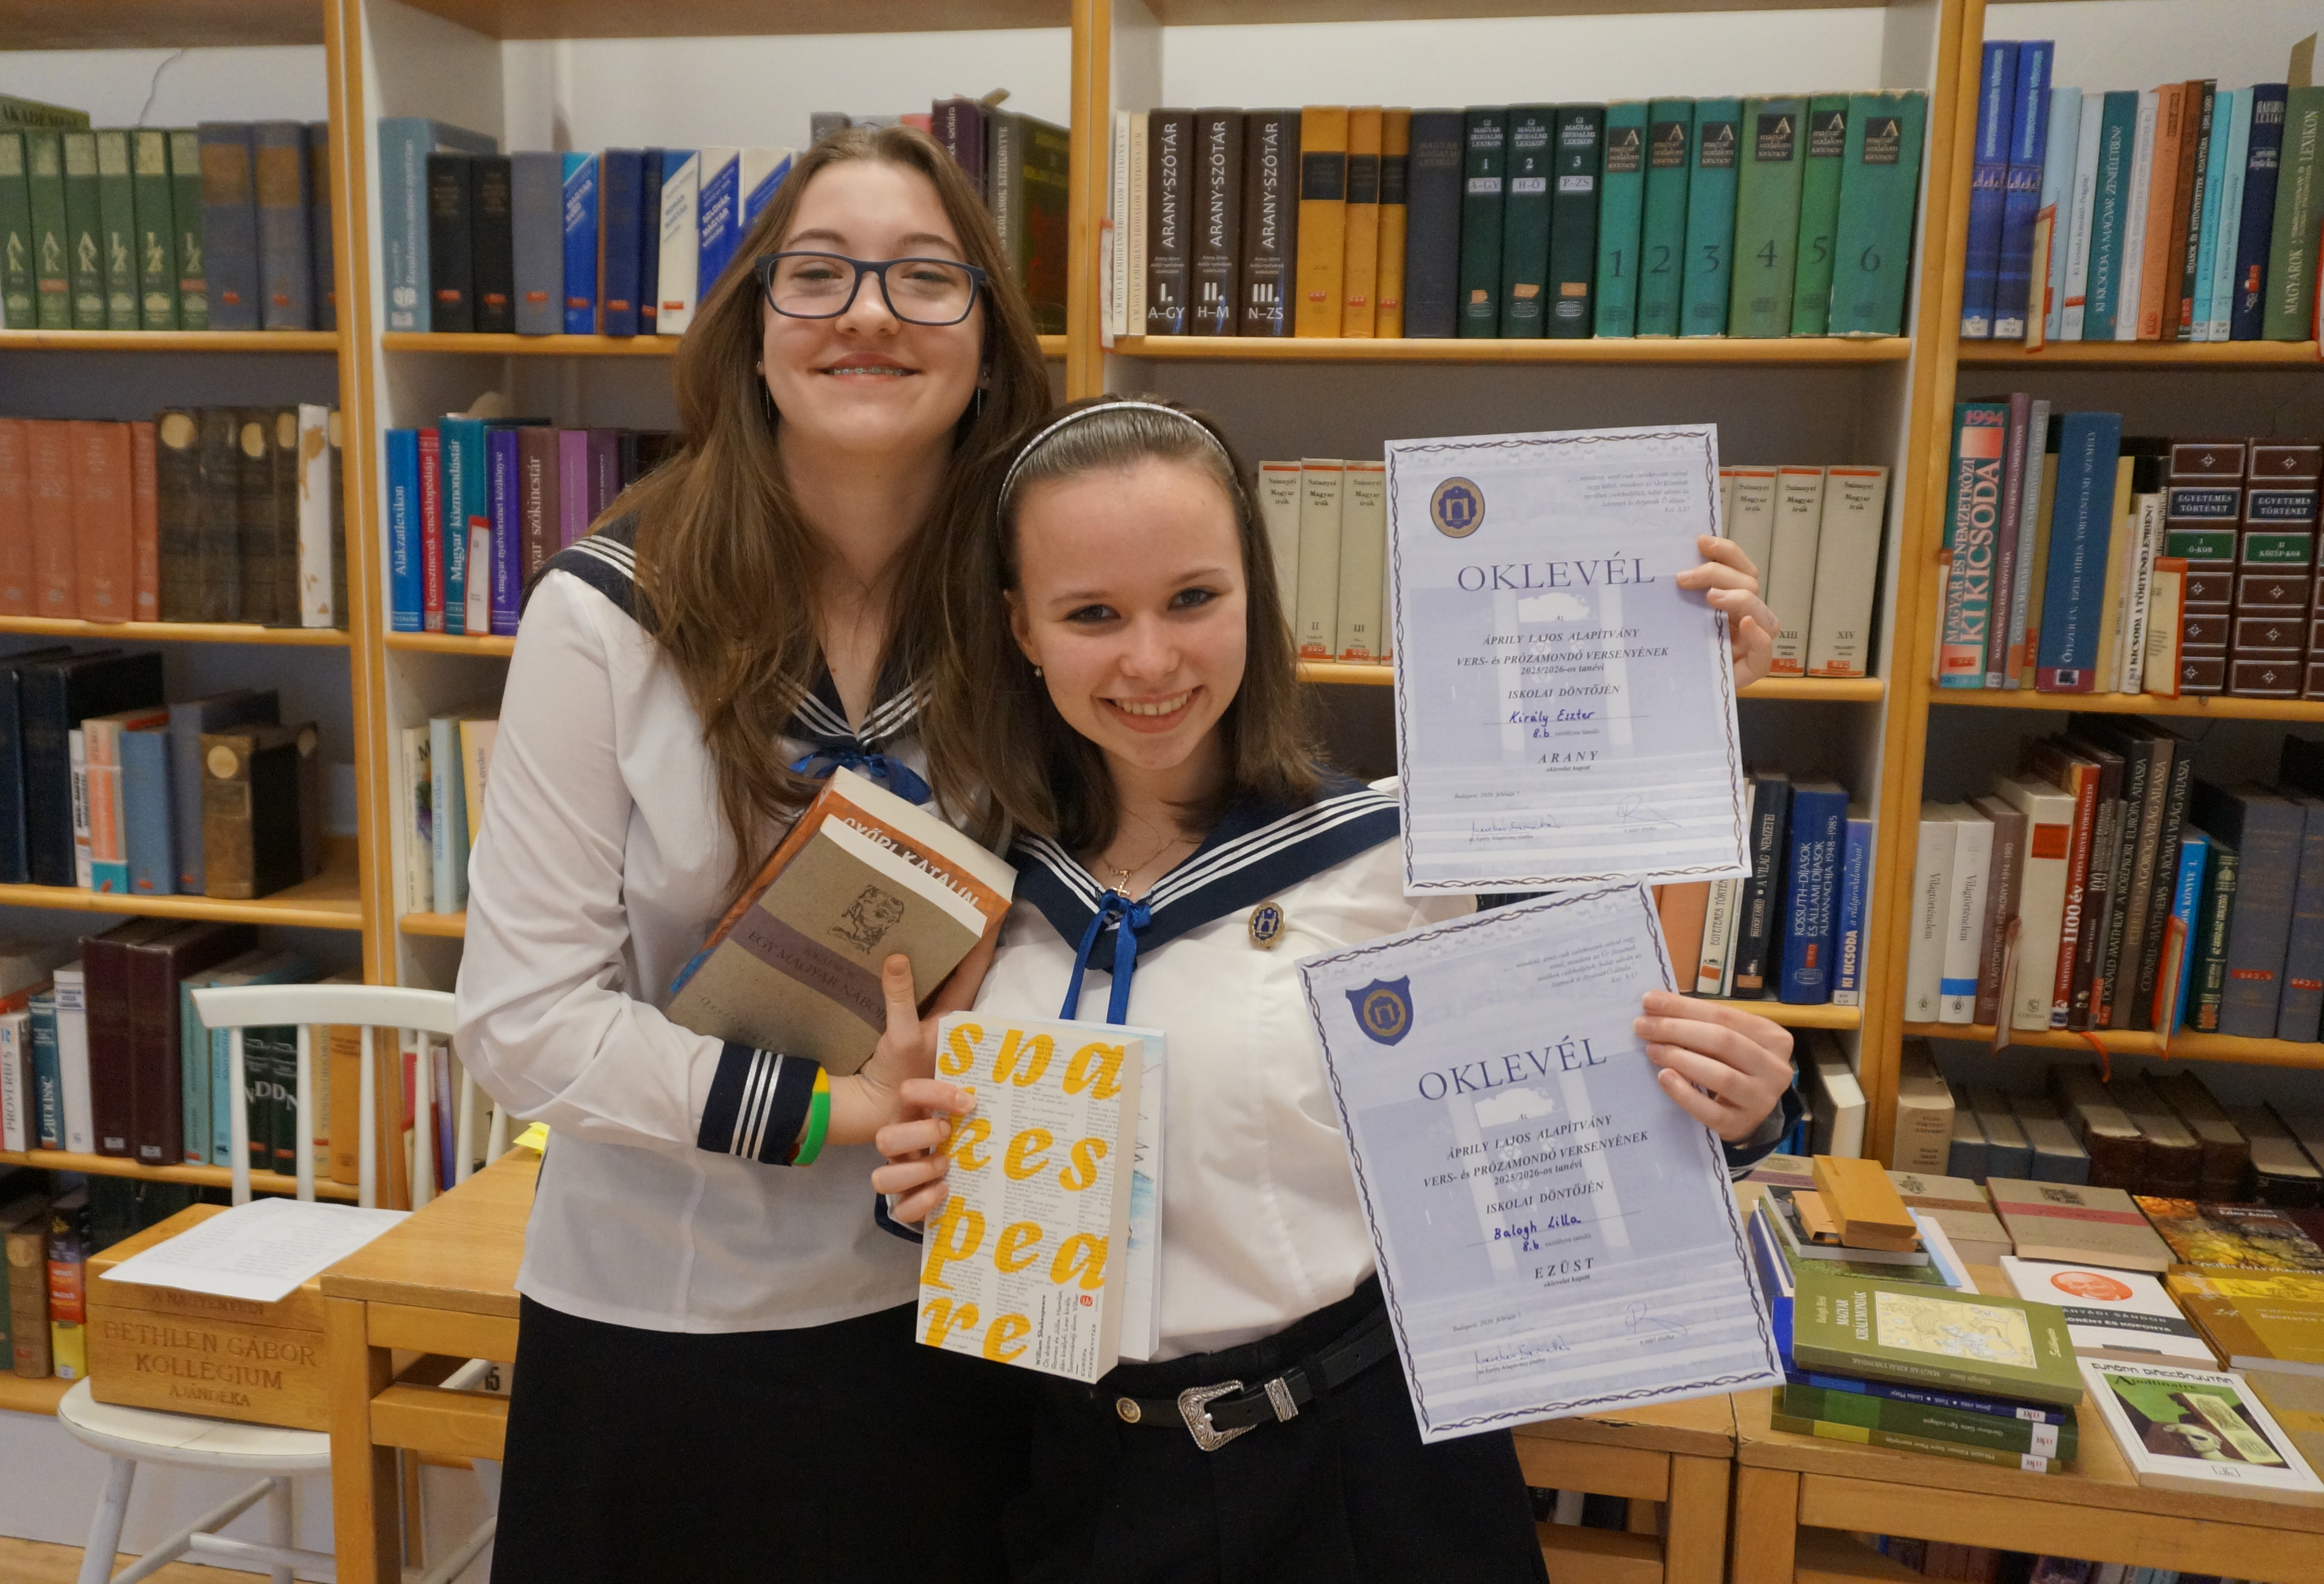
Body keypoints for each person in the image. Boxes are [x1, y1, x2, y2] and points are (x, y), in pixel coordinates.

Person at [875, 397, 1798, 1583]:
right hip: (1087, 1485)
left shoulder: (1397, 861)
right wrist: (921, 1184)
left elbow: (1614, 1087)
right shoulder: (976, 895)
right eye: (1092, 613)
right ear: (1021, 627)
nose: (1149, 659)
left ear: (1252, 595)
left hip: (1364, 1483)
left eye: (1192, 598)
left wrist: (1736, 1101)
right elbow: (939, 1192)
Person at [452, 125, 1054, 1581]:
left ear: (988, 342)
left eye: (926, 278)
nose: (868, 314)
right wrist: (842, 1112)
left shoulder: (1038, 607)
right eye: (819, 274)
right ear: (754, 329)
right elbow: (523, 1027)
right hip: (661, 1329)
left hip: (955, 1307)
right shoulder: (605, 615)